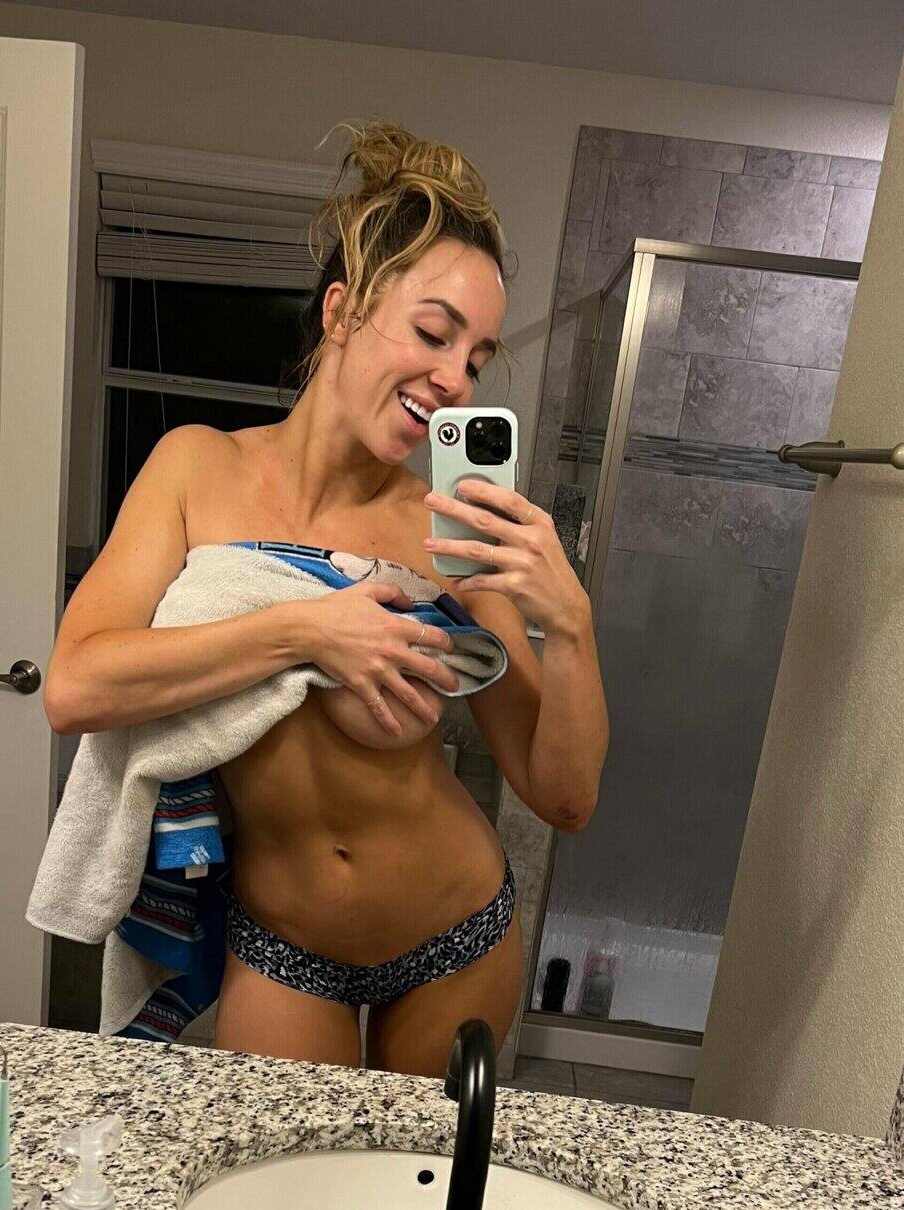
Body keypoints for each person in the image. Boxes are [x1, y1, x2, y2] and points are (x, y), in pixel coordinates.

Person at [45, 120, 608, 1078]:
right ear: (342, 311)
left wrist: (572, 627)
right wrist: (309, 631)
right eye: (433, 333)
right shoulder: (195, 468)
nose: (453, 378)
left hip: (456, 935)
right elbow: (75, 688)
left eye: (475, 357)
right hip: (283, 946)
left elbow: (563, 796)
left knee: (413, 1174)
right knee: (280, 1176)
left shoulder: (446, 528)